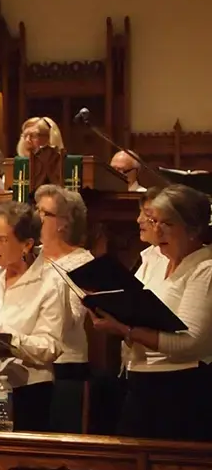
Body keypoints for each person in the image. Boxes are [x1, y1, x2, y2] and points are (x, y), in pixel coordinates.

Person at [90, 185, 212, 441]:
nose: (157, 231)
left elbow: (191, 343)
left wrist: (125, 330)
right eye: (155, 221)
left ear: (193, 228)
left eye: (167, 224)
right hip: (139, 382)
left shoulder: (205, 268)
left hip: (182, 391)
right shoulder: (155, 261)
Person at [0, 202, 63, 432]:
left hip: (24, 390)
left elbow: (50, 346)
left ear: (27, 245)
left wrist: (8, 338)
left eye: (2, 240)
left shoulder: (49, 283)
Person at [34, 186, 93, 381]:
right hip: (28, 358)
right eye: (36, 209)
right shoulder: (29, 255)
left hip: (65, 362)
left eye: (45, 213)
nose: (36, 216)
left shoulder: (82, 261)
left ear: (64, 223)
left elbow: (74, 318)